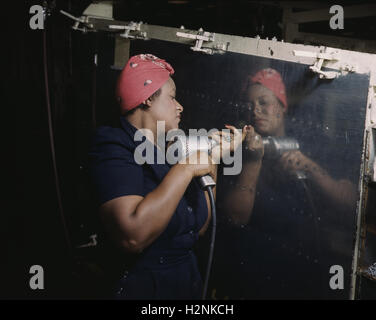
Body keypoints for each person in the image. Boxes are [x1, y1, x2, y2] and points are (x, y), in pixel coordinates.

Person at [88, 54, 243, 299]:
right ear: (148, 98)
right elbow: (132, 236)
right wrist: (186, 168)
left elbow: (199, 228)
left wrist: (212, 160)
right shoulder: (114, 146)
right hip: (144, 288)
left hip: (185, 280)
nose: (179, 106)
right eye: (172, 97)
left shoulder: (167, 149)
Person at [213, 68, 358, 298]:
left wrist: (310, 168)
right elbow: (234, 217)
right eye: (249, 105)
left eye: (264, 102)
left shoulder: (311, 142)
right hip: (251, 271)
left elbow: (352, 203)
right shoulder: (235, 150)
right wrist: (253, 160)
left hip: (301, 271)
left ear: (282, 106)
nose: (255, 111)